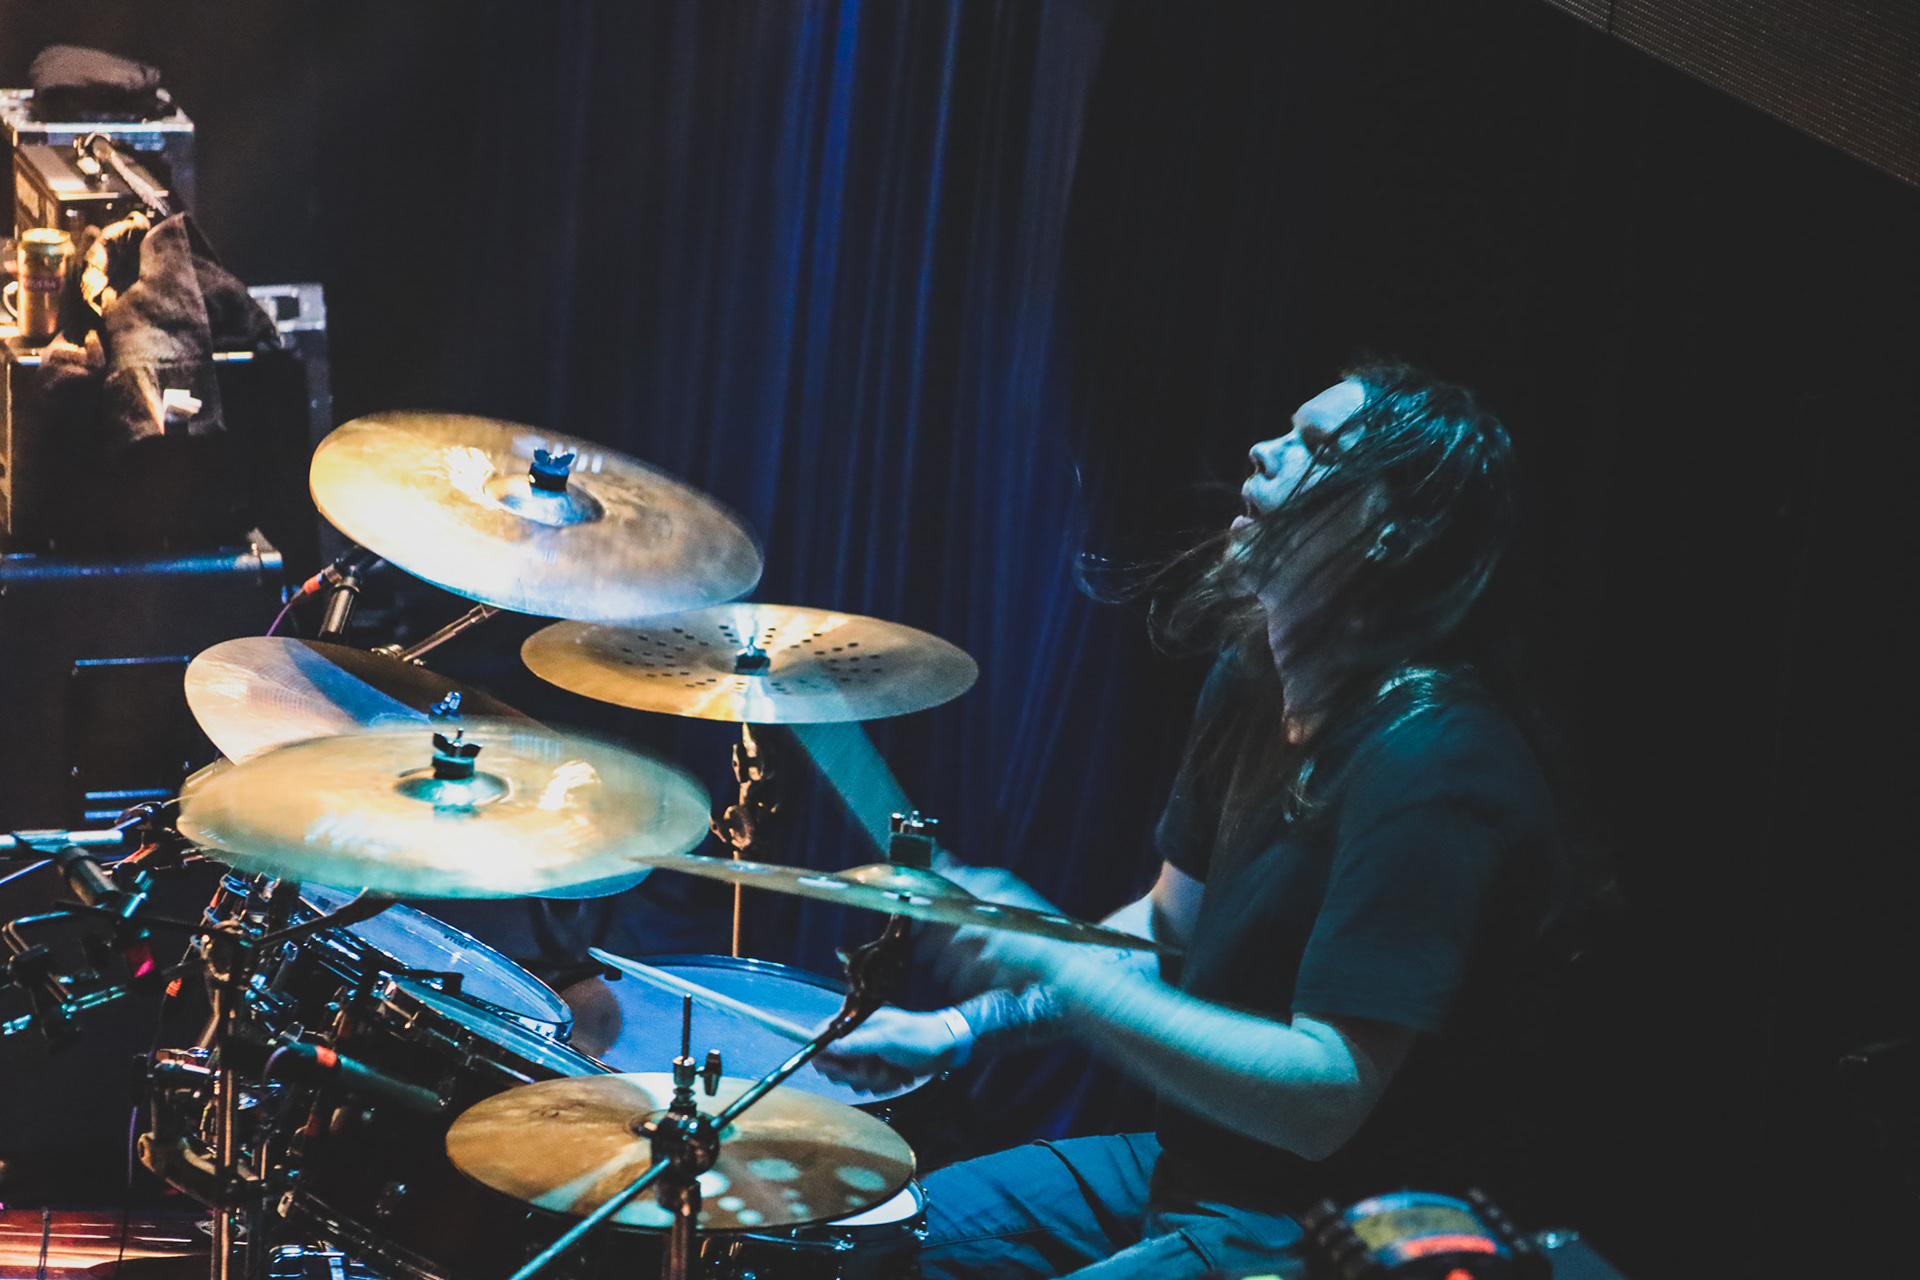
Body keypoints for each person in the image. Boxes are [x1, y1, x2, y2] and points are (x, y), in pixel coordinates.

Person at [814, 363, 1573, 1279]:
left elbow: (1325, 1100)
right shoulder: (1254, 680)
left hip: (1337, 1234)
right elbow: (1166, 931)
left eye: (1316, 446)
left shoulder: (1434, 762)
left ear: (1391, 529)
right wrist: (958, 1029)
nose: (1263, 449)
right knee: (871, 1249)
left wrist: (1060, 965)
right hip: (1194, 1172)